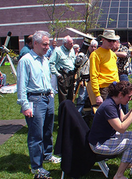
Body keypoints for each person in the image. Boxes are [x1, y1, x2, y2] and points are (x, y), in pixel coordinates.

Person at [17, 30, 60, 178]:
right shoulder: (26, 60)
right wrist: (25, 105)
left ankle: (47, 155)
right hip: (34, 100)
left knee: (48, 131)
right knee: (36, 135)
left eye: (48, 44)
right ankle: (36, 166)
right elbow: (21, 85)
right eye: (45, 44)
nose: (48, 47)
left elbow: (47, 79)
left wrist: (51, 92)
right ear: (35, 43)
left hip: (48, 99)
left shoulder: (45, 60)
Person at [88, 81, 132, 179]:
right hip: (99, 144)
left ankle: (128, 163)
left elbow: (122, 119)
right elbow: (121, 128)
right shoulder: (108, 106)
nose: (130, 99)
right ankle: (118, 175)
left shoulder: (115, 102)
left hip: (107, 137)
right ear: (120, 95)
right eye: (129, 96)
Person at [90, 29, 120, 106]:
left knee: (116, 112)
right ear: (103, 39)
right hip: (104, 89)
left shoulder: (113, 54)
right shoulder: (95, 55)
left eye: (113, 41)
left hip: (115, 86)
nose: (112, 43)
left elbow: (115, 72)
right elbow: (93, 75)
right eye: (109, 40)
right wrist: (97, 95)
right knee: (107, 115)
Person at [49, 35, 76, 104]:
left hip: (71, 75)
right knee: (63, 98)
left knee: (71, 96)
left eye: (72, 43)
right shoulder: (58, 50)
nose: (72, 45)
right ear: (65, 44)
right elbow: (51, 63)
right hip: (63, 76)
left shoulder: (72, 50)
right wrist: (58, 75)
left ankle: (69, 113)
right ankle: (63, 113)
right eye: (70, 43)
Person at [76, 39, 98, 113]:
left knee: (93, 101)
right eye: (92, 46)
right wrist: (80, 79)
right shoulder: (83, 56)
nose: (93, 48)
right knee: (81, 99)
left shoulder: (96, 56)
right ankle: (78, 116)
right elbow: (78, 67)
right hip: (84, 80)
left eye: (95, 47)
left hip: (93, 80)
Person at [114, 39, 130, 114]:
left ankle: (125, 115)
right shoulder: (112, 50)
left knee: (124, 94)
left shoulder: (123, 48)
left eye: (113, 42)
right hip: (114, 75)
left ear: (117, 42)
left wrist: (112, 53)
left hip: (123, 75)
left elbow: (124, 54)